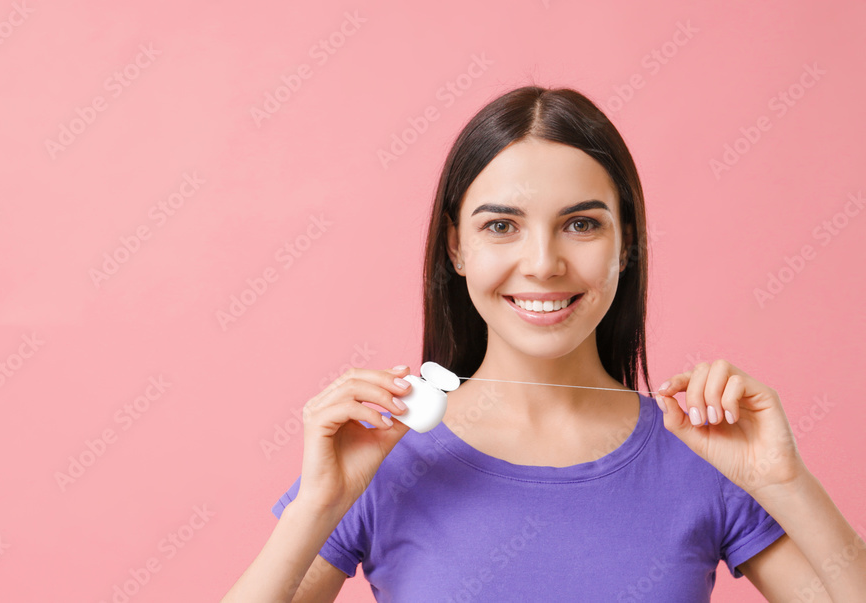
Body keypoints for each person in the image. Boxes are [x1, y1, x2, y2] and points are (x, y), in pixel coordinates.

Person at [222, 85, 865, 601]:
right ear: (456, 247)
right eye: (502, 225)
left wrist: (786, 484)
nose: (542, 263)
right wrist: (318, 507)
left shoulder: (706, 455)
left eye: (580, 224)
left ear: (627, 242)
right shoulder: (383, 460)